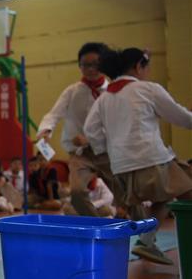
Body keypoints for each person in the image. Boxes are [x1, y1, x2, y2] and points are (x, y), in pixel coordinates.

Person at [85, 47, 192, 264]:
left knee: (168, 196)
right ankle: (147, 241)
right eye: (147, 66)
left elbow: (90, 130)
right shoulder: (147, 89)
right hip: (151, 158)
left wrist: (107, 152)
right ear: (138, 67)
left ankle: (147, 240)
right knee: (184, 192)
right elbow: (180, 117)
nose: (148, 71)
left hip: (123, 166)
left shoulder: (105, 98)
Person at [37, 42, 119, 217]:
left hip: (107, 152)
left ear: (104, 64)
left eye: (96, 64)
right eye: (85, 65)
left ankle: (146, 234)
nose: (90, 69)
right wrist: (45, 131)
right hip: (80, 154)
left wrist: (90, 139)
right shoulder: (72, 91)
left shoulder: (112, 92)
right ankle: (96, 226)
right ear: (79, 66)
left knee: (125, 192)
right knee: (77, 192)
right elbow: (54, 114)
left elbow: (117, 124)